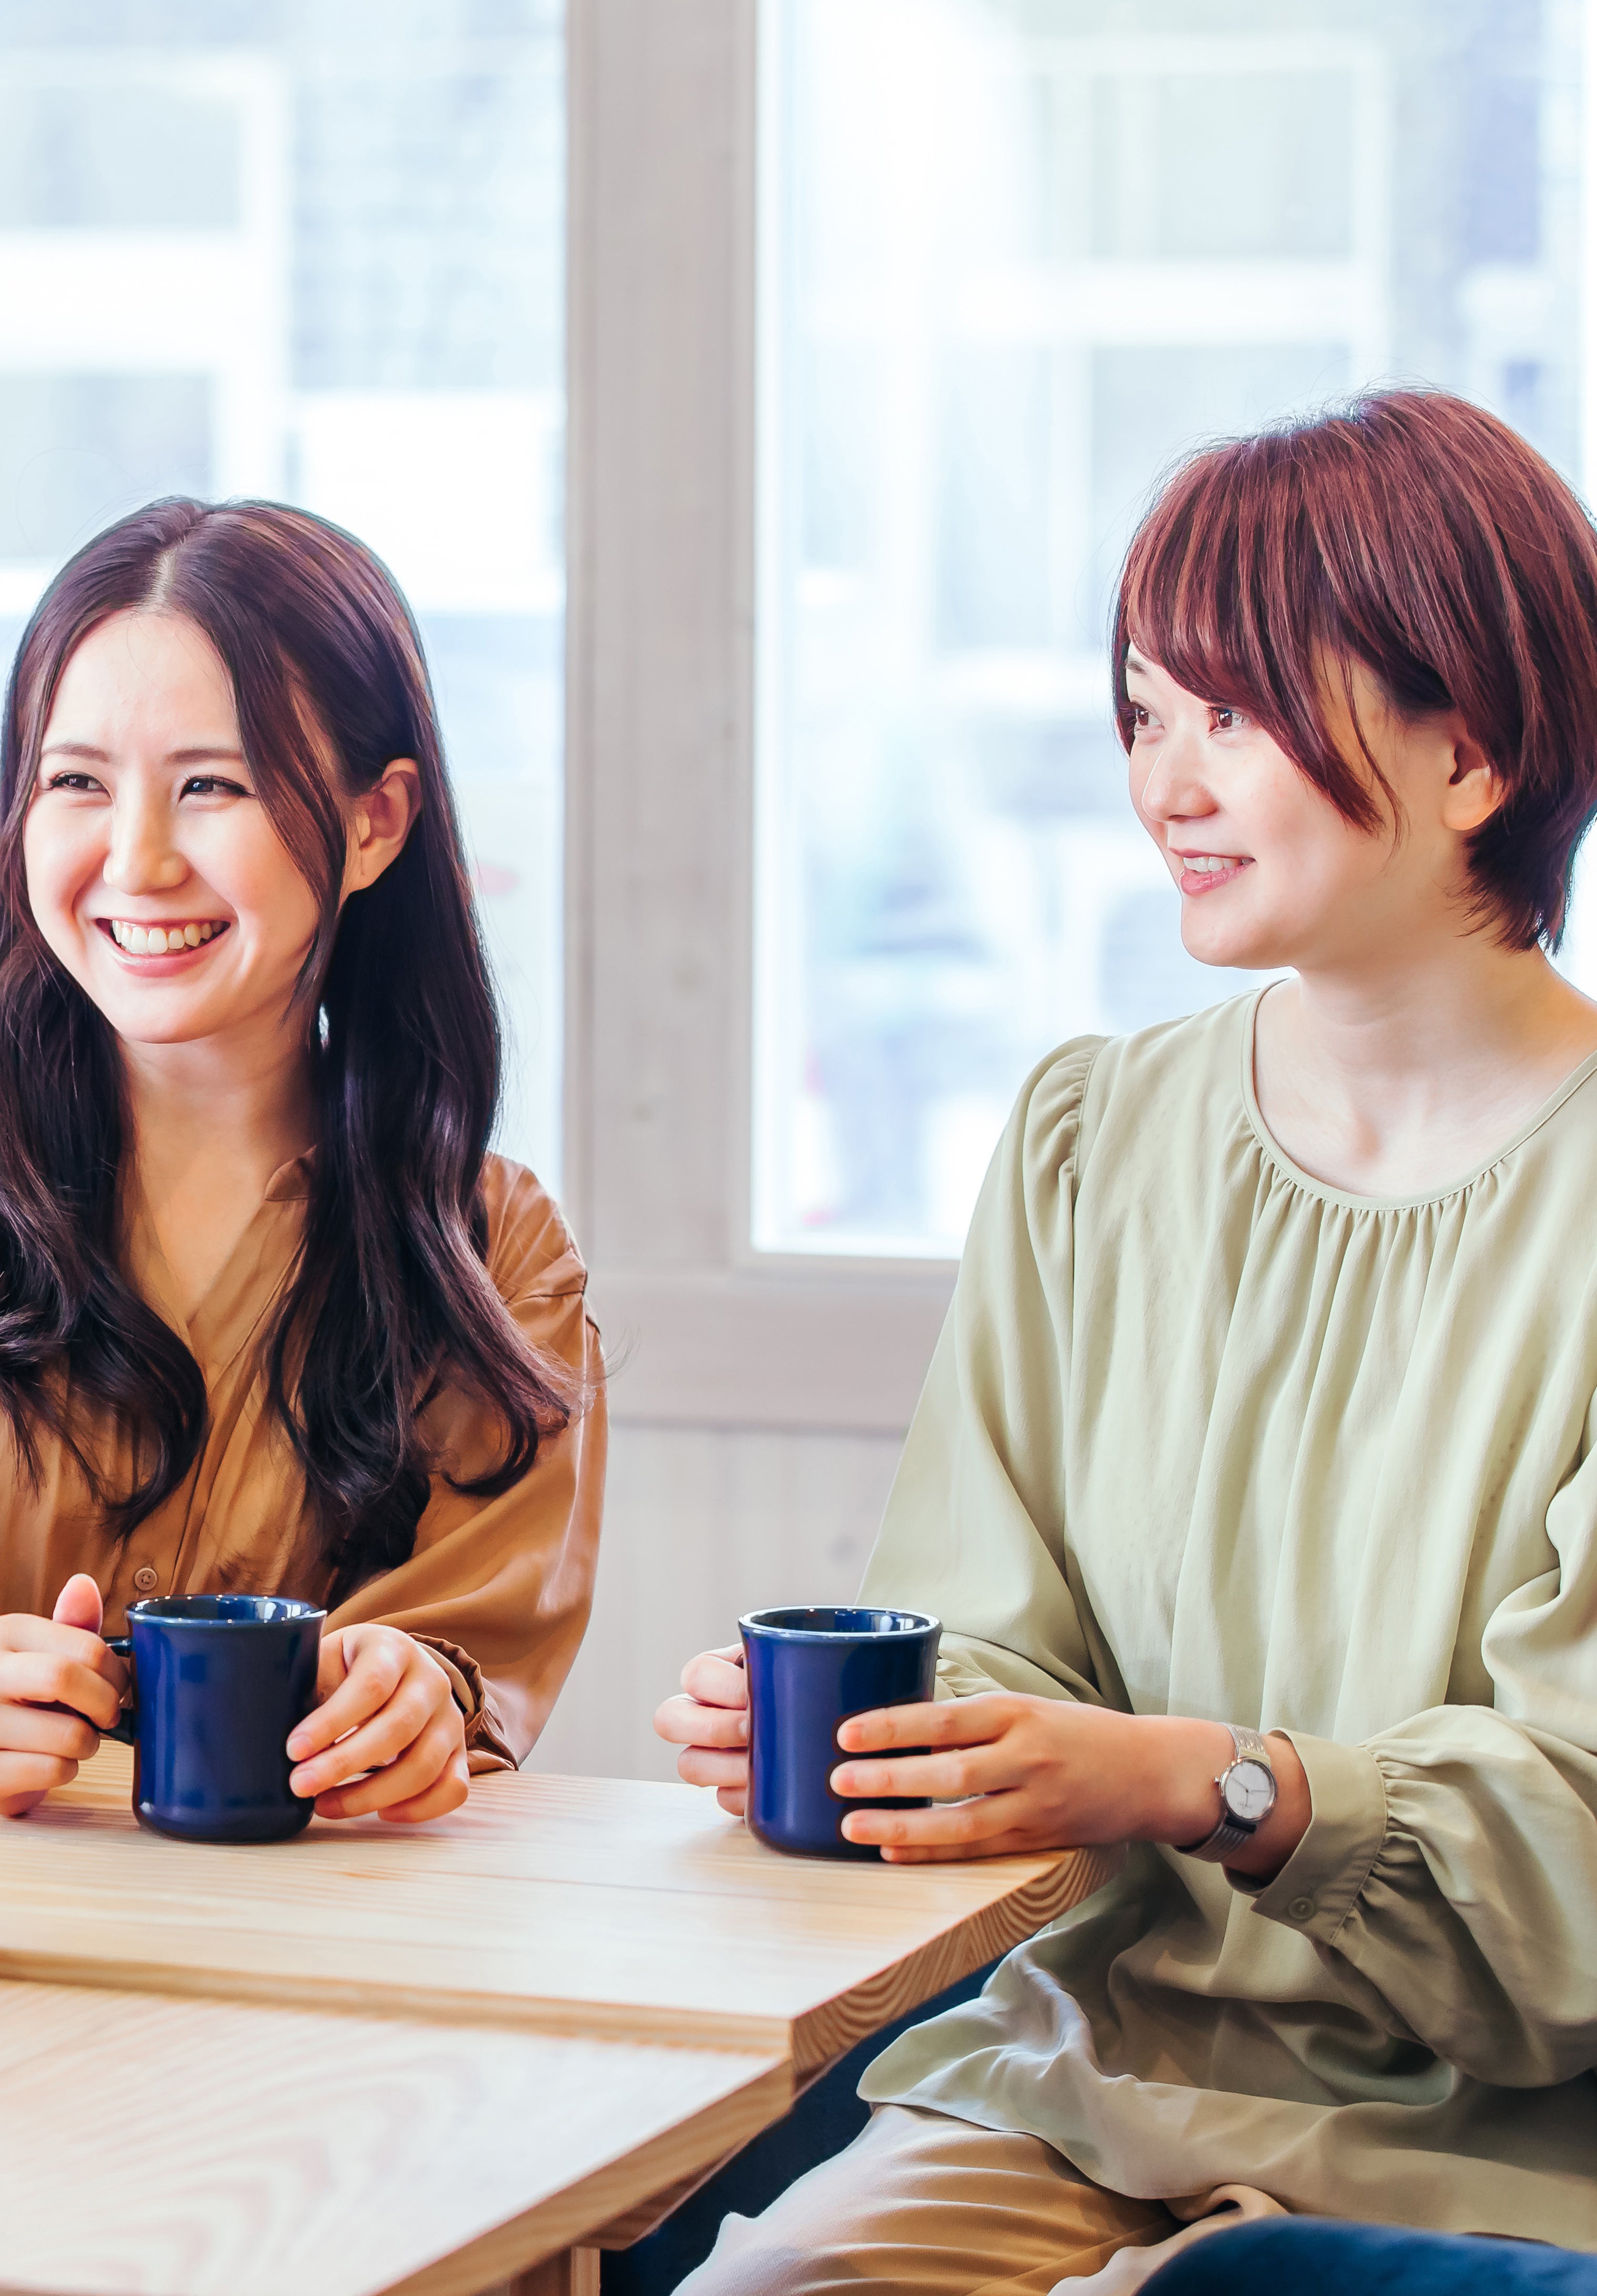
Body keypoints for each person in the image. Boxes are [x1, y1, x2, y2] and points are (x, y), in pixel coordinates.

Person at [655, 387, 1597, 2291]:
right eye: (1141, 718)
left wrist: (1204, 1777)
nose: (1161, 784)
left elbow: (1572, 1852)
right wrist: (883, 1744)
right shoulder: (1092, 1137)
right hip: (1077, 2078)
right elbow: (1005, 1637)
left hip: (1486, 2160)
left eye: (1228, 716)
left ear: (1470, 750)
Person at [0, 497, 605, 1823]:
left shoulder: (495, 1252)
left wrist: (410, 1700)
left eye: (210, 785)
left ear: (373, 822)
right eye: (74, 781)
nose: (135, 858)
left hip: (288, 1966)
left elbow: (470, 1656)